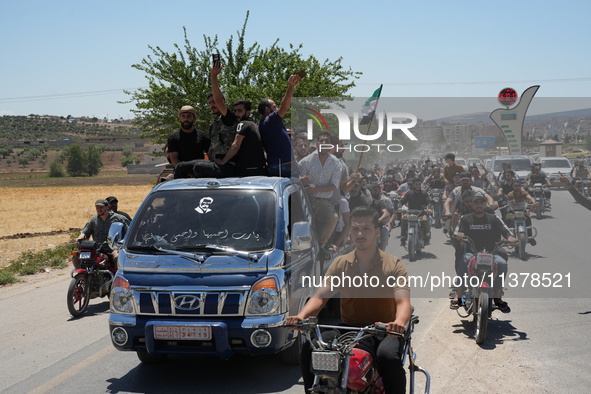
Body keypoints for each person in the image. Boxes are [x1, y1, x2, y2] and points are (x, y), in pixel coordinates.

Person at [286, 206, 411, 394]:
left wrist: (398, 323)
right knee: (309, 349)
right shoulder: (340, 263)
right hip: (349, 328)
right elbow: (320, 297)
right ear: (350, 232)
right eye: (355, 228)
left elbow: (403, 303)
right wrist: (301, 317)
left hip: (384, 331)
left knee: (387, 357)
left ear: (377, 232)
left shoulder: (394, 264)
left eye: (366, 229)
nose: (360, 234)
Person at [452, 191, 516, 311]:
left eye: (482, 202)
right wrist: (459, 234)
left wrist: (510, 238)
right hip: (472, 252)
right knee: (463, 261)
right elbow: (457, 231)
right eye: (476, 202)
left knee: (502, 263)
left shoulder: (493, 218)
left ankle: (497, 297)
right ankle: (459, 295)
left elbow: (505, 230)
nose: (479, 205)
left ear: (486, 204)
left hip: (492, 252)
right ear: (472, 204)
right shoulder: (465, 219)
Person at [190, 63, 239, 178]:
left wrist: (213, 77)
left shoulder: (228, 118)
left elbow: (219, 101)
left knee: (198, 167)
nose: (213, 104)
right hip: (215, 162)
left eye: (214, 102)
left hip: (228, 164)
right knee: (182, 166)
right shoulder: (215, 123)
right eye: (210, 103)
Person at [298, 131, 342, 255]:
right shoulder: (306, 161)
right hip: (306, 201)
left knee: (333, 218)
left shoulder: (335, 163)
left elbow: (334, 185)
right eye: (321, 141)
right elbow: (295, 179)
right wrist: (301, 180)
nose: (323, 143)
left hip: (324, 203)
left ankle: (320, 246)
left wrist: (316, 188)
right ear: (317, 144)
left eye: (326, 141)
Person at [258, 73, 302, 177]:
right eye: (274, 106)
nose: (277, 109)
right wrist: (291, 87)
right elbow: (285, 106)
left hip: (274, 165)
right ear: (267, 110)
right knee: (297, 188)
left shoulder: (263, 123)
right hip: (285, 165)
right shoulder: (271, 119)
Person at [213, 99, 267, 176]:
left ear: (247, 112)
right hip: (259, 169)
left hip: (248, 170)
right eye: (235, 111)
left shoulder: (243, 124)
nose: (236, 114)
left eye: (239, 111)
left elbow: (235, 145)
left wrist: (223, 161)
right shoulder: (253, 125)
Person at [73, 199, 129, 269]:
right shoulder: (93, 220)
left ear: (107, 207)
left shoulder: (118, 218)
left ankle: (117, 277)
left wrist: (122, 243)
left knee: (118, 257)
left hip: (113, 249)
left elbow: (129, 231)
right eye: (97, 207)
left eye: (101, 207)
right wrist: (80, 238)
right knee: (75, 256)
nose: (99, 209)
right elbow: (85, 231)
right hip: (97, 249)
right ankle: (83, 276)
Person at [167, 105, 211, 179]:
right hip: (180, 174)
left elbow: (210, 155)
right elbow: (174, 159)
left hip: (199, 173)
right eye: (183, 116)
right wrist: (189, 174)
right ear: (179, 119)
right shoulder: (173, 137)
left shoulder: (203, 136)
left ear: (194, 118)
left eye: (189, 116)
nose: (186, 119)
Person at [398, 178, 431, 246]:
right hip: (410, 213)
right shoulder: (409, 193)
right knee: (403, 218)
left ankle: (427, 236)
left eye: (419, 184)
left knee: (425, 220)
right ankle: (403, 237)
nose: (418, 186)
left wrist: (429, 209)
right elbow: (402, 201)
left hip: (421, 214)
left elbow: (429, 202)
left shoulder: (424, 193)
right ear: (413, 185)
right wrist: (400, 207)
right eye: (416, 184)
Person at [505, 179, 537, 246]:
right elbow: (514, 203)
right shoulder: (510, 194)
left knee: (528, 219)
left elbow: (530, 197)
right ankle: (508, 237)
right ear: (513, 186)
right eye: (515, 186)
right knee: (508, 219)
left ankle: (530, 237)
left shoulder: (524, 193)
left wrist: (534, 202)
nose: (517, 187)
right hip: (512, 210)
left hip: (522, 210)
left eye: (519, 185)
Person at [369, 183, 395, 251]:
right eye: (373, 190)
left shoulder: (384, 201)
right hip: (370, 224)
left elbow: (391, 213)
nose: (374, 191)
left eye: (376, 190)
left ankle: (382, 251)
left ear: (380, 190)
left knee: (385, 230)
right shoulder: (367, 201)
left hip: (383, 223)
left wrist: (390, 222)